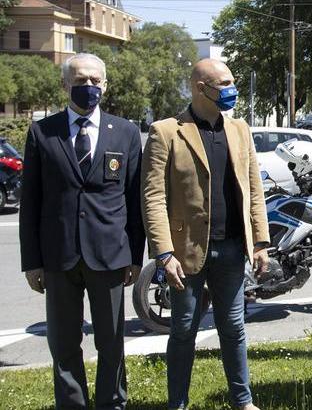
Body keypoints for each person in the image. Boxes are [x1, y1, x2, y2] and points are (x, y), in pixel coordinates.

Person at [141, 59, 269, 410]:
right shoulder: (166, 131)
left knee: (234, 327)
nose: (232, 90)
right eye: (224, 83)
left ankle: (243, 401)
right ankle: (177, 404)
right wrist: (163, 253)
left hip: (231, 249)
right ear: (201, 88)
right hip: (184, 252)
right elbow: (153, 197)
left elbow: (253, 189)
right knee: (183, 330)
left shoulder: (240, 129)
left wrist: (259, 242)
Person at [19, 53, 144, 409]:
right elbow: (31, 203)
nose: (87, 87)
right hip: (59, 257)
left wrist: (135, 256)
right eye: (79, 81)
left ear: (105, 84)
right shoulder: (42, 132)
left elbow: (134, 200)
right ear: (64, 85)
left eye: (94, 80)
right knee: (63, 344)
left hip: (109, 256)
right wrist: (33, 261)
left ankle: (111, 403)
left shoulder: (126, 132)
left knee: (111, 341)